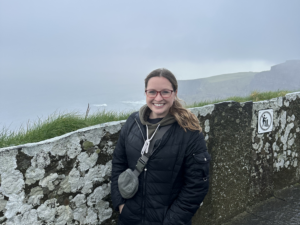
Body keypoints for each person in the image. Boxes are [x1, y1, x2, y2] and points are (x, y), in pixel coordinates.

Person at [111, 68, 210, 225]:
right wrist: (121, 205)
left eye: (165, 92)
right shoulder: (133, 122)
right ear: (145, 93)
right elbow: (118, 164)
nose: (158, 98)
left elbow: (197, 185)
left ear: (174, 93)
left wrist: (171, 221)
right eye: (152, 92)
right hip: (130, 218)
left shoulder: (189, 131)